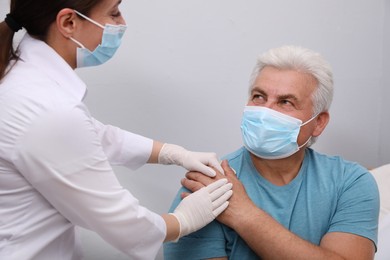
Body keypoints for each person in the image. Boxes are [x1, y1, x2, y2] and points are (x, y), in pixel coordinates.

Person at [0, 1, 233, 259]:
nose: (122, 24)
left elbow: (92, 135)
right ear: (68, 23)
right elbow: (119, 220)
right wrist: (183, 221)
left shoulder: (23, 80)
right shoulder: (48, 108)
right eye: (114, 13)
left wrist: (171, 153)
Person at [164, 45, 380, 259]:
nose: (266, 111)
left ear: (318, 123)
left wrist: (244, 214)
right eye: (258, 97)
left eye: (285, 102)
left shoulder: (349, 183)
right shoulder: (207, 186)